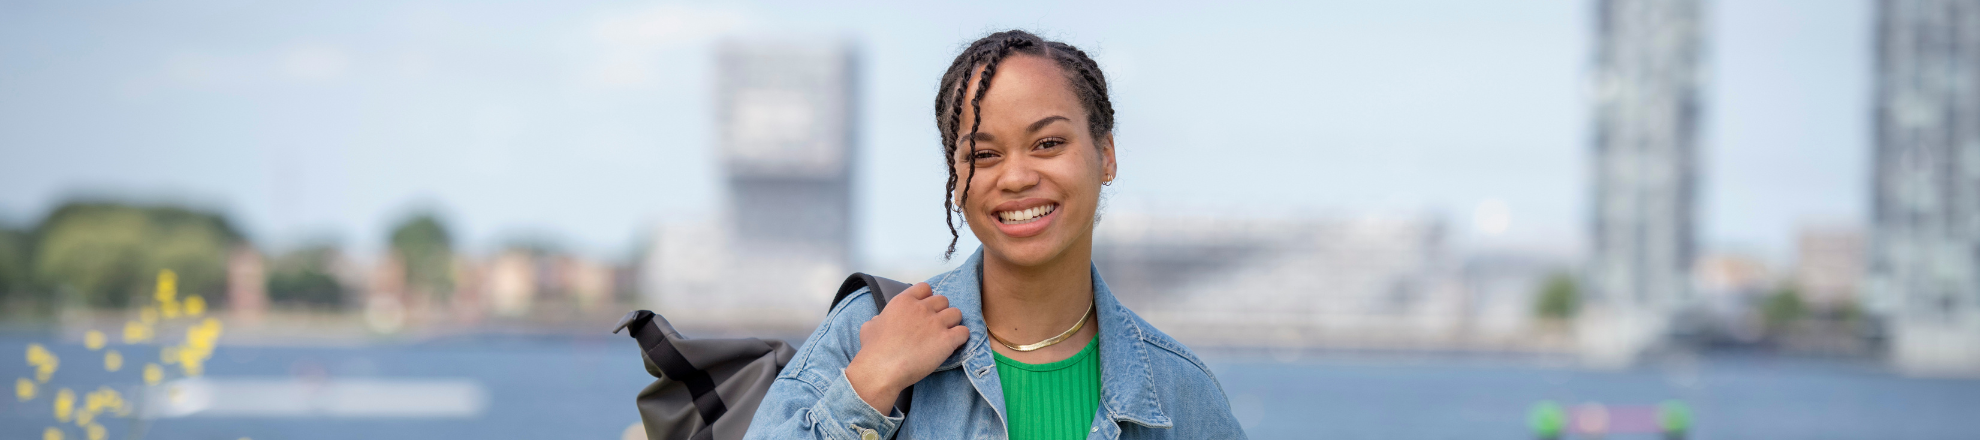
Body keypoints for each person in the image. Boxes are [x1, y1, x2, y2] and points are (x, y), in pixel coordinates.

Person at [745, 30, 1247, 440]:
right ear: (956, 178)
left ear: (1106, 155)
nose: (1016, 177)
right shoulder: (868, 331)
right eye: (984, 155)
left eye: (1048, 143)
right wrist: (871, 383)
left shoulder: (1179, 392)